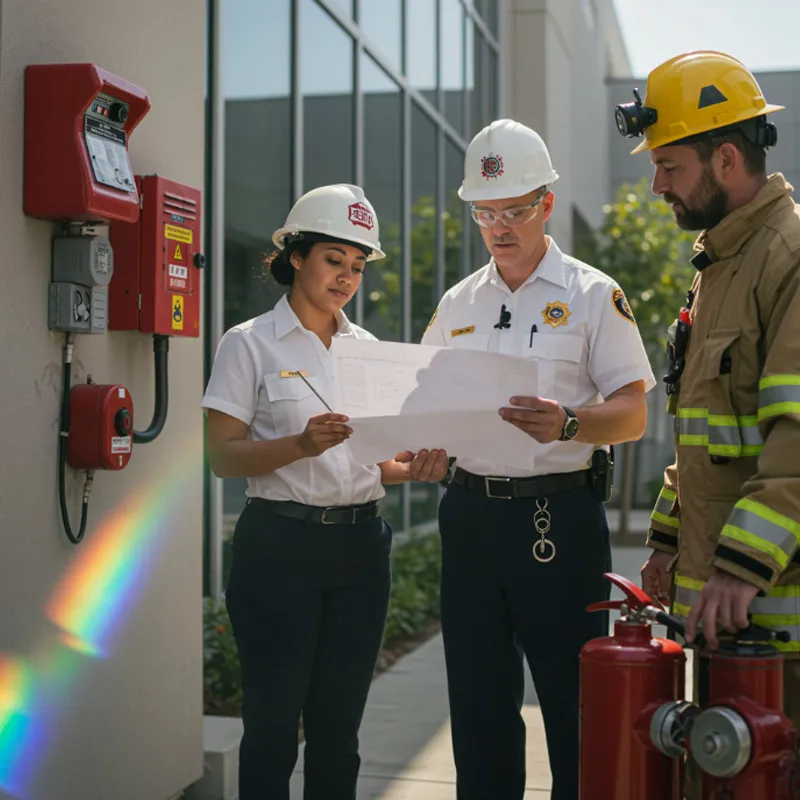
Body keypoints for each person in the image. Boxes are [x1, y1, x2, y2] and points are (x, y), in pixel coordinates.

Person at [421, 119, 656, 800]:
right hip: (468, 518)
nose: (498, 226)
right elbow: (425, 403)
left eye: (514, 210)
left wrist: (571, 422)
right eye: (485, 212)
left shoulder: (591, 294)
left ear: (546, 204)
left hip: (559, 519)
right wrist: (424, 449)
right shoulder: (457, 304)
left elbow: (635, 413)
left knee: (574, 705)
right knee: (478, 707)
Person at [201, 183, 449, 800]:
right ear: (295, 256)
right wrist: (299, 446)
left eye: (358, 266)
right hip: (278, 550)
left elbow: (374, 460)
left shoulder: (368, 352)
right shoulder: (248, 343)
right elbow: (221, 457)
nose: (346, 277)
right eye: (334, 259)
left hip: (361, 552)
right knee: (273, 731)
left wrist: (409, 467)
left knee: (340, 732)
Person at [622, 50, 800, 793]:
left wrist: (739, 565)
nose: (656, 184)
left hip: (779, 626)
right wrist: (666, 540)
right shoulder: (719, 265)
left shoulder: (787, 256)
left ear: (726, 158)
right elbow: (702, 437)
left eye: (669, 166)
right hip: (726, 620)